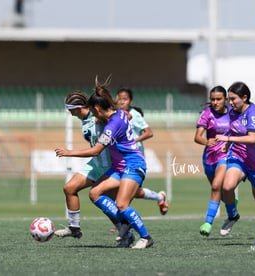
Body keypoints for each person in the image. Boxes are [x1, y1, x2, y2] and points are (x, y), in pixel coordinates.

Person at [54, 90, 168, 245]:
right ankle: (76, 228)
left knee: (118, 202)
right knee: (73, 189)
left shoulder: (101, 118)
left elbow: (123, 117)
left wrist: (69, 152)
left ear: (84, 108)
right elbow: (121, 115)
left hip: (114, 163)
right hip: (99, 163)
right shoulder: (93, 117)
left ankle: (138, 233)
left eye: (71, 110)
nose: (70, 114)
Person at [216, 81, 255, 245]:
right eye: (229, 99)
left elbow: (252, 138)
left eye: (233, 99)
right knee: (226, 187)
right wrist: (227, 144)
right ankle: (233, 215)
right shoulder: (233, 112)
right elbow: (233, 130)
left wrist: (227, 139)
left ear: (244, 97)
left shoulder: (253, 114)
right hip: (239, 155)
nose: (230, 102)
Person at [116, 88, 168, 215]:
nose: (122, 102)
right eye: (120, 99)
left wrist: (134, 140)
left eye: (125, 99)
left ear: (130, 101)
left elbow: (149, 132)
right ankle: (159, 197)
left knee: (128, 191)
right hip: (120, 156)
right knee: (131, 191)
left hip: (135, 157)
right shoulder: (116, 114)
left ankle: (122, 221)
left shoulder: (135, 114)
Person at [194, 85, 231, 236]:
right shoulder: (207, 114)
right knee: (219, 192)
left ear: (225, 100)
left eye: (219, 99)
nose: (215, 102)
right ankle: (232, 208)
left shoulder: (232, 114)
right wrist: (206, 142)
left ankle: (208, 222)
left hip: (225, 155)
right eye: (213, 99)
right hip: (209, 157)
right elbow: (197, 137)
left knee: (216, 186)